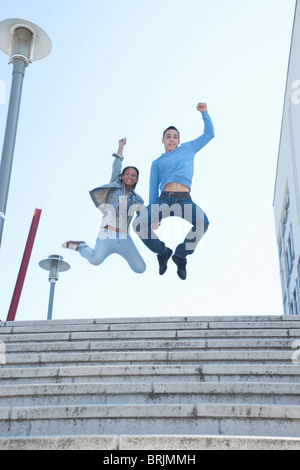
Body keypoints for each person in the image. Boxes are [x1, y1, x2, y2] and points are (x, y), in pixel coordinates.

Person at [133, 102, 214, 280]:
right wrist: (155, 217)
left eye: (175, 137)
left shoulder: (188, 148)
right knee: (138, 225)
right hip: (164, 200)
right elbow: (153, 189)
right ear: (163, 140)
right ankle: (162, 252)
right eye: (168, 136)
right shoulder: (157, 163)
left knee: (203, 223)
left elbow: (209, 135)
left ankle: (180, 255)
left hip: (185, 200)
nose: (172, 139)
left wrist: (204, 113)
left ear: (178, 140)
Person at [62, 138, 146, 274]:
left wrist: (154, 221)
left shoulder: (137, 199)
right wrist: (120, 146)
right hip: (107, 234)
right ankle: (81, 246)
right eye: (127, 174)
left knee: (140, 268)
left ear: (136, 179)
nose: (130, 176)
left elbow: (145, 215)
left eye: (134, 175)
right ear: (123, 176)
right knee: (95, 260)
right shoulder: (115, 185)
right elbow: (117, 164)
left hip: (124, 238)